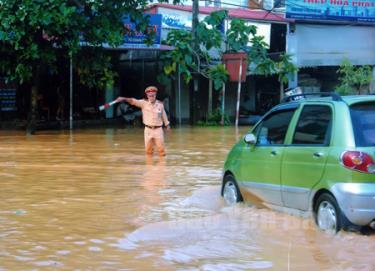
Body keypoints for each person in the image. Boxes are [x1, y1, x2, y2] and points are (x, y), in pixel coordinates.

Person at [115, 86, 171, 156]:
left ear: (155, 95)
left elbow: (163, 115)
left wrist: (167, 125)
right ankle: (149, 166)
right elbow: (133, 101)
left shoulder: (160, 104)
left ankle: (162, 166)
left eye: (153, 95)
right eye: (150, 96)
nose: (151, 97)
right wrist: (123, 98)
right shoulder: (143, 103)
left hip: (158, 130)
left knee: (162, 151)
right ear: (147, 96)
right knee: (148, 152)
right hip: (148, 130)